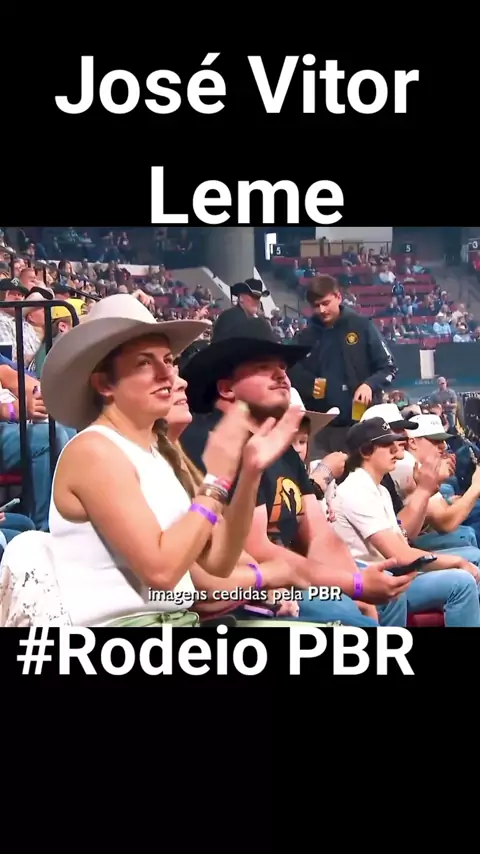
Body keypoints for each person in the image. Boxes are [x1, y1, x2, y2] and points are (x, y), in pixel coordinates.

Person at [32, 294, 305, 628]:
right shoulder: (94, 450)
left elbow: (219, 560)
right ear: (104, 384)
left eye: (168, 360)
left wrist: (249, 472)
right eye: (144, 363)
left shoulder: (157, 453)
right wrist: (217, 479)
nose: (168, 374)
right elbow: (161, 572)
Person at [180, 313, 416, 626]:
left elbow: (320, 533)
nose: (282, 375)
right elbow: (256, 548)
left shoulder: (282, 449)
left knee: (386, 601)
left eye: (282, 367)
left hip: (292, 577)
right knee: (348, 616)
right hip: (250, 592)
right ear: (226, 388)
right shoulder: (211, 441)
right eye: (263, 367)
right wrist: (352, 586)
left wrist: (356, 585)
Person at [330, 418, 480, 626]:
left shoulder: (378, 489)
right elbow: (400, 555)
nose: (396, 451)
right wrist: (456, 562)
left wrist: (425, 492)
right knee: (461, 582)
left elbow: (405, 540)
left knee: (467, 567)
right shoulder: (355, 489)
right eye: (386, 445)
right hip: (372, 582)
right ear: (365, 451)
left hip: (393, 573)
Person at [288, 275, 397, 456]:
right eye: (316, 306)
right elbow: (287, 367)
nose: (322, 310)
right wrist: (309, 384)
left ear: (338, 297)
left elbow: (389, 367)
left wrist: (369, 385)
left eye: (326, 303)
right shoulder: (306, 336)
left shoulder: (362, 326)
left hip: (361, 426)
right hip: (321, 430)